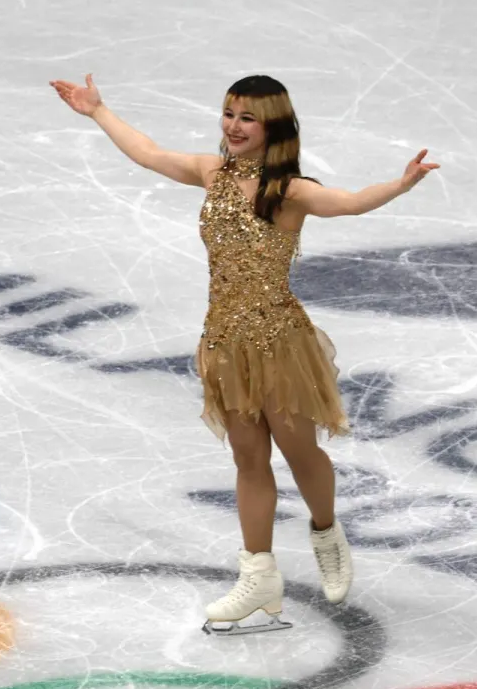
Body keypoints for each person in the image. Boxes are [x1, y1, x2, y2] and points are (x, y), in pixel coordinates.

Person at [49, 73, 439, 634]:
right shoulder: (213, 174)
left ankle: (326, 531)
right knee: (247, 457)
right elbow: (150, 154)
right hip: (224, 340)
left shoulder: (292, 191)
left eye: (247, 117)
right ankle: (260, 575)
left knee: (299, 450)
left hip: (278, 341)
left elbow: (350, 203)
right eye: (230, 113)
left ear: (272, 126)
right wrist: (98, 111)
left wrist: (400, 186)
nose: (233, 126)